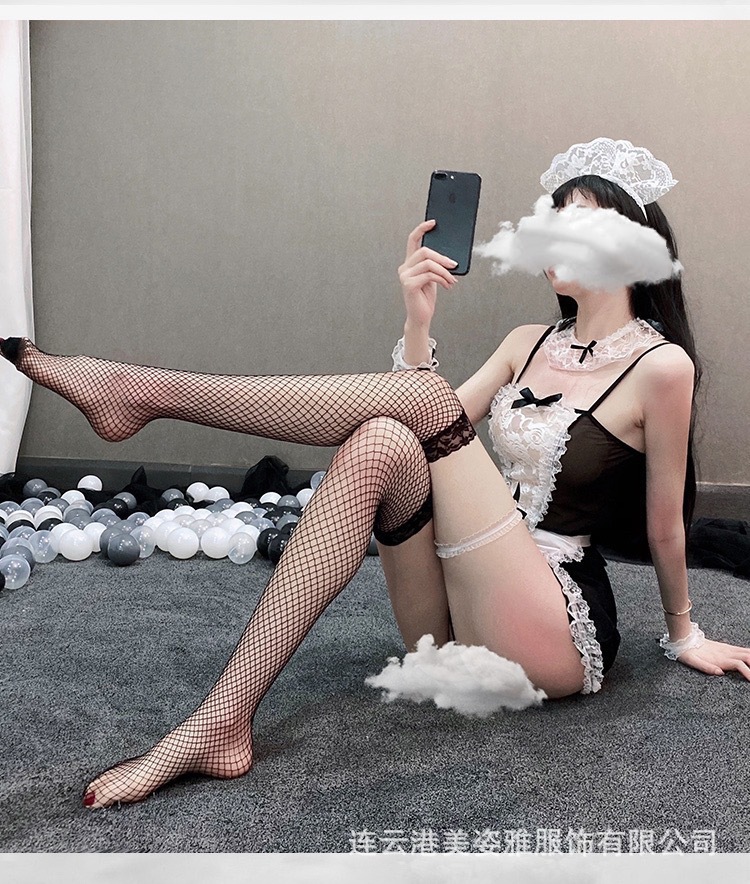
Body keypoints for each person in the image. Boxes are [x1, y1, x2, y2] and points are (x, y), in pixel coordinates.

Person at [2, 137, 749, 811]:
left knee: (414, 413)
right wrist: (418, 321)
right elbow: (429, 425)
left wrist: (684, 633)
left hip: (551, 627)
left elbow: (663, 523)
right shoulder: (527, 341)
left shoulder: (662, 366)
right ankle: (221, 722)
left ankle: (145, 393)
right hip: (457, 610)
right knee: (383, 441)